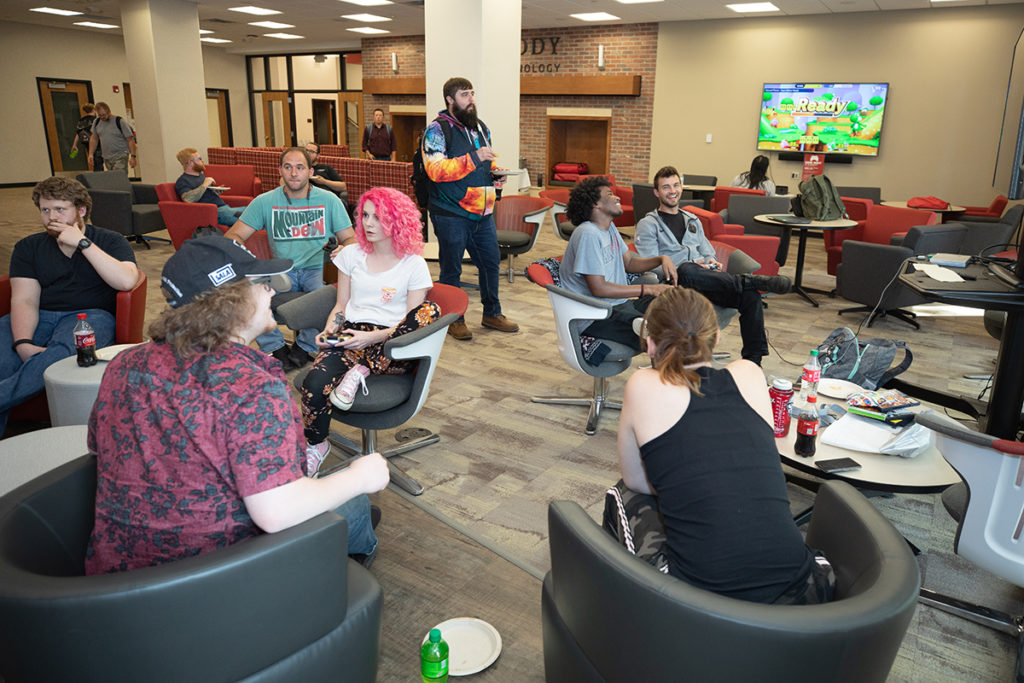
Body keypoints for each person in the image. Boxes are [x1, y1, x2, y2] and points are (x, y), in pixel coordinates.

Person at [85, 236, 390, 574]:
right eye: (262, 284)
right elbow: (278, 512)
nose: (272, 292)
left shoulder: (123, 364)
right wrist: (360, 476)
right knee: (355, 500)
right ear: (231, 300)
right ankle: (359, 554)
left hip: (115, 573)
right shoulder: (253, 386)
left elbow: (100, 448)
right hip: (222, 575)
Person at [616, 287, 833, 604]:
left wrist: (687, 488)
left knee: (622, 494)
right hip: (801, 593)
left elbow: (635, 480)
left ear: (650, 344)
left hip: (703, 605)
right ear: (716, 338)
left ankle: (625, 613)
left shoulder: (642, 384)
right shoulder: (750, 372)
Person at [299, 187, 440, 475]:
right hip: (351, 334)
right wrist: (329, 333)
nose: (369, 223)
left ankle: (361, 369)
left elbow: (409, 323)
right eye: (365, 215)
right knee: (314, 384)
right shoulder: (351, 255)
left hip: (392, 343)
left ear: (397, 221)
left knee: (430, 311)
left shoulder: (414, 265)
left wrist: (373, 337)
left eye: (379, 217)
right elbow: (341, 305)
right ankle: (316, 445)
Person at [0, 176, 138, 434]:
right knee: (2, 355)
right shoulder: (28, 247)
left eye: (60, 209)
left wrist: (82, 243)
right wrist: (22, 343)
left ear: (81, 210)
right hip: (40, 314)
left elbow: (126, 280)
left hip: (90, 316)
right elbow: (24, 299)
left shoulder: (110, 240)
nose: (52, 216)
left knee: (60, 356)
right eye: (45, 210)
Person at [635, 166, 790, 365]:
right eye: (666, 187)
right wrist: (689, 265)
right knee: (686, 269)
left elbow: (708, 252)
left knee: (749, 296)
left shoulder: (693, 220)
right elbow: (649, 263)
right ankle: (749, 281)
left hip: (704, 280)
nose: (672, 191)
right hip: (675, 284)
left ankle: (753, 361)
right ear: (657, 192)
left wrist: (711, 262)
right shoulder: (649, 224)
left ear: (681, 187)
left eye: (675, 185)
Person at [225, 147, 356, 372]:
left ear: (310, 171)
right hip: (279, 271)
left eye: (299, 167)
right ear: (280, 171)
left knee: (333, 301)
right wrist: (245, 257)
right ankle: (277, 349)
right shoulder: (265, 201)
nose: (294, 173)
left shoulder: (329, 200)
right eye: (288, 167)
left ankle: (303, 348)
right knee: (246, 298)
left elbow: (351, 238)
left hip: (315, 270)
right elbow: (233, 235)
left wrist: (345, 248)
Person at [423, 76, 517, 341]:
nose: (471, 99)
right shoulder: (437, 131)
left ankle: (492, 313)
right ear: (450, 100)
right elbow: (436, 170)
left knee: (489, 264)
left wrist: (496, 174)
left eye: (472, 93)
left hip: (482, 212)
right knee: (451, 268)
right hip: (450, 212)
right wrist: (475, 158)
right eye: (465, 95)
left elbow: (484, 165)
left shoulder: (480, 128)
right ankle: (453, 318)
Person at [560, 176, 676, 356]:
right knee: (665, 333)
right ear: (595, 204)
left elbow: (629, 263)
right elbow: (598, 288)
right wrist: (648, 289)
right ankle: (663, 370)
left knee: (673, 303)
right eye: (609, 194)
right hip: (595, 316)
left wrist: (661, 259)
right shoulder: (588, 234)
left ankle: (648, 333)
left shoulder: (610, 228)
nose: (617, 197)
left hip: (617, 306)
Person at [174, 147, 244, 227]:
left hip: (224, 208)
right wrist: (205, 185)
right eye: (199, 159)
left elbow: (204, 195)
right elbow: (188, 199)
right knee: (250, 218)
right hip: (213, 213)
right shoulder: (183, 180)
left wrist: (216, 192)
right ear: (190, 162)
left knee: (255, 209)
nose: (202, 161)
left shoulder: (201, 176)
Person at [87, 102, 136, 173]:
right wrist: (91, 154)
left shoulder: (119, 121)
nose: (102, 117)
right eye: (100, 115)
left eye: (103, 115)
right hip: (107, 157)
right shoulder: (97, 122)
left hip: (120, 155)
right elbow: (94, 139)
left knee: (118, 177)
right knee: (113, 179)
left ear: (108, 111)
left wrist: (133, 156)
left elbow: (130, 140)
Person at [305, 141, 350, 210]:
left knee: (341, 203)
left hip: (327, 199)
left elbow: (343, 187)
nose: (308, 153)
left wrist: (324, 181)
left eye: (311, 151)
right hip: (308, 200)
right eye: (306, 150)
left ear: (318, 155)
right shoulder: (299, 169)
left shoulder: (326, 168)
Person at [70, 102, 102, 170]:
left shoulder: (81, 120)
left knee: (94, 160)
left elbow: (78, 133)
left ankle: (97, 174)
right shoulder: (96, 120)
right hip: (97, 143)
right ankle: (98, 177)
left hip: (87, 143)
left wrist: (74, 144)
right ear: (94, 110)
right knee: (98, 162)